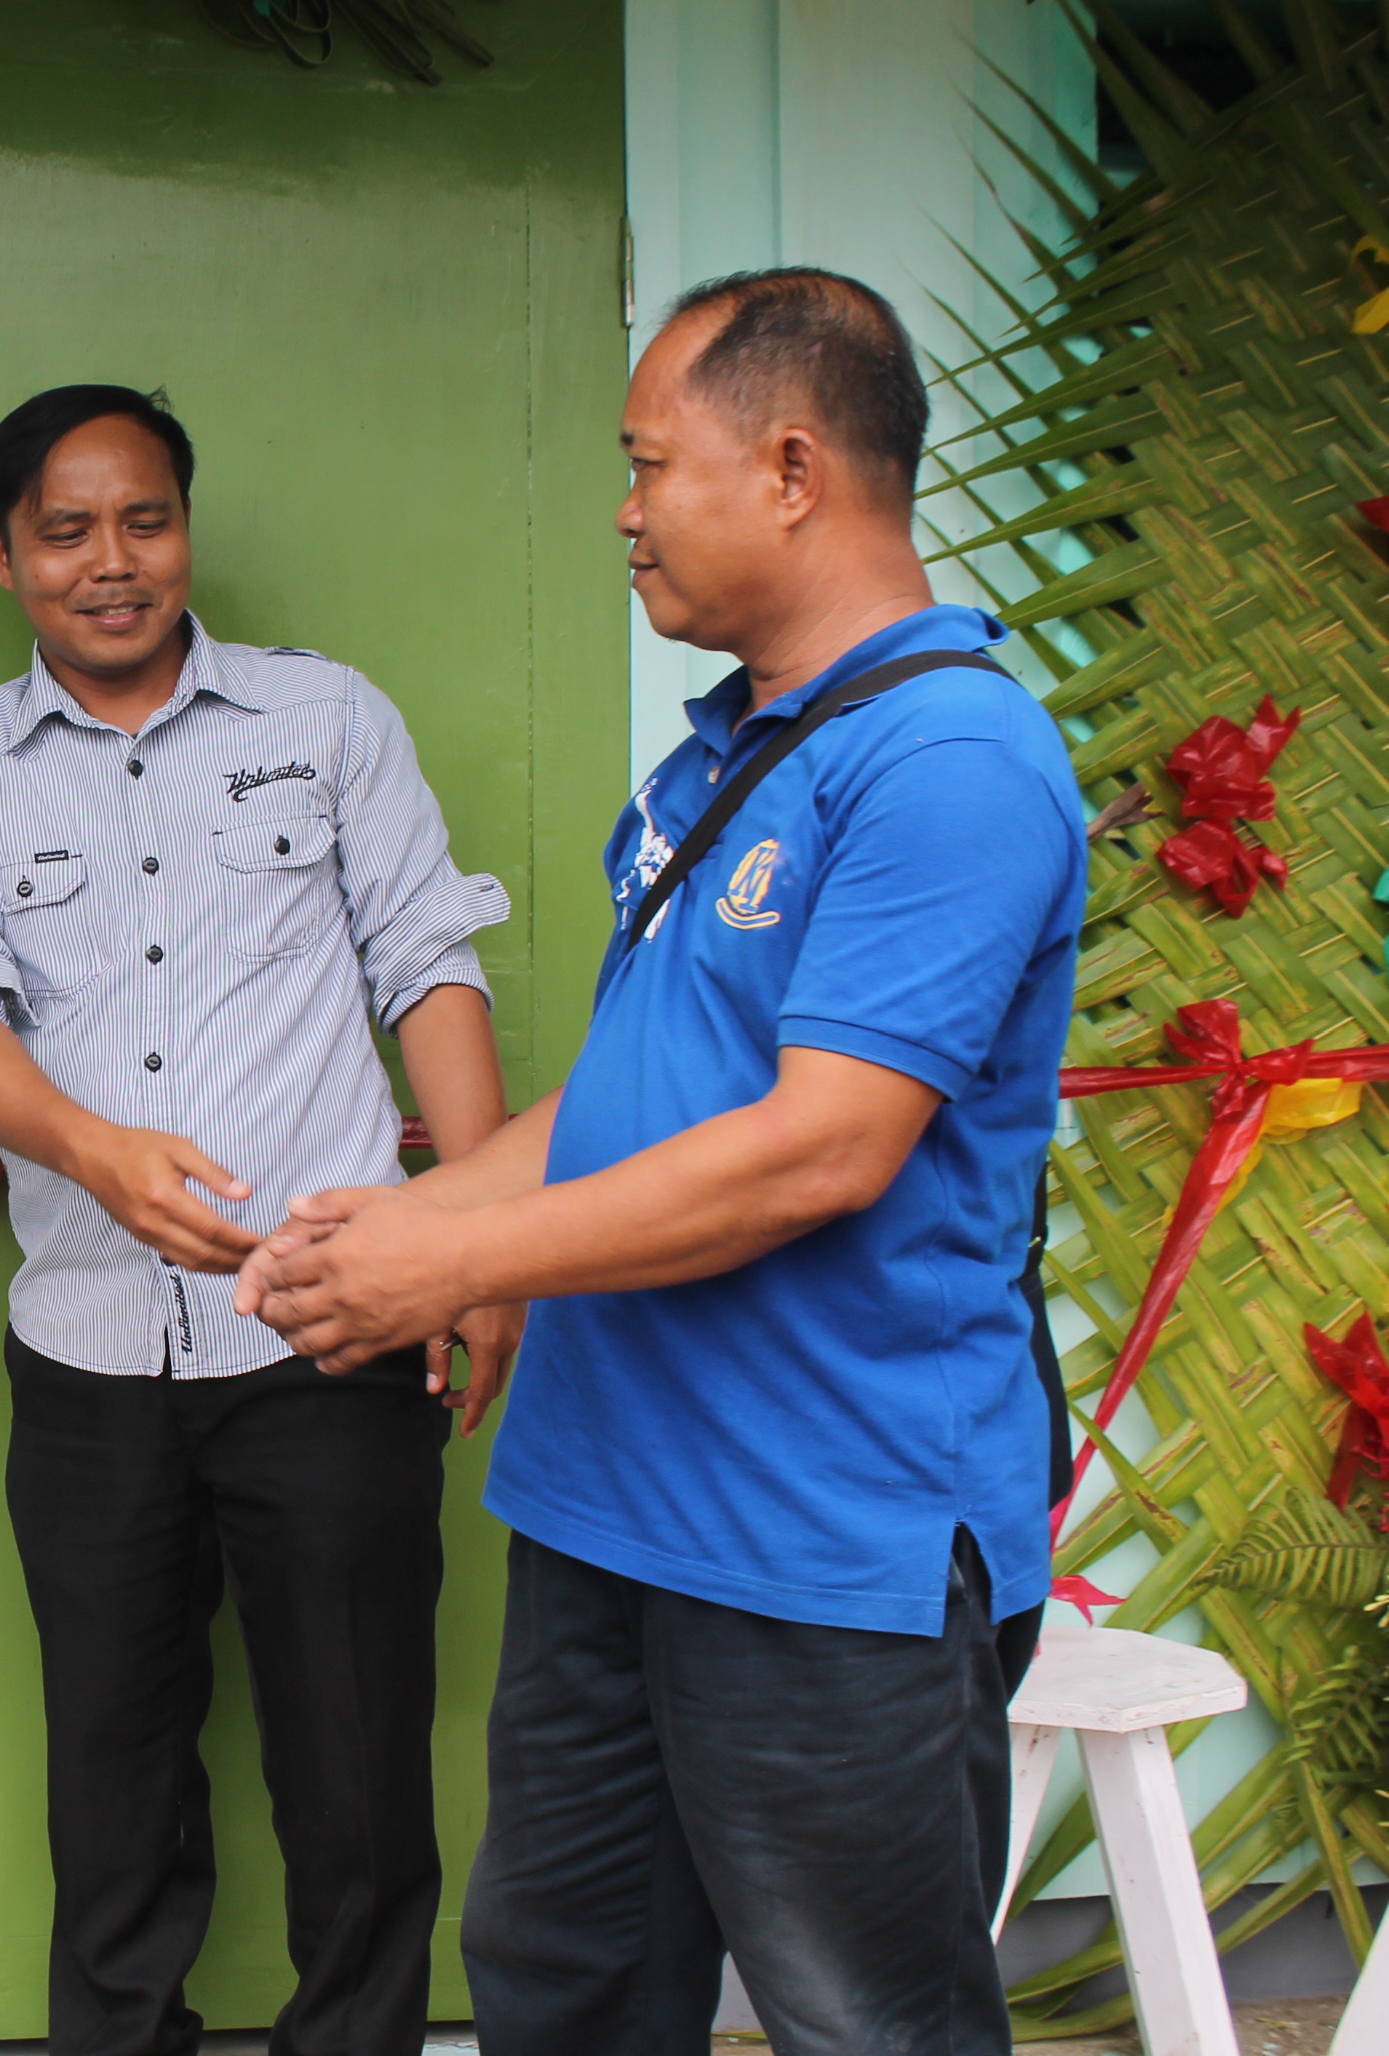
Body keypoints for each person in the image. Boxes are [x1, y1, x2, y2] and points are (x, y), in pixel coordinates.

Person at [235, 269, 1086, 2056]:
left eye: (647, 465)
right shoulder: (733, 753)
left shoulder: (950, 758)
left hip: (821, 1540)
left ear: (792, 471)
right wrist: (402, 1225)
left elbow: (820, 1149)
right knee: (565, 1992)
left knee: (867, 2020)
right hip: (609, 1508)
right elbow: (637, 1094)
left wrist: (459, 1265)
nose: (624, 512)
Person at [0, 384, 518, 2056]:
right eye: (67, 532)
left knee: (358, 1786)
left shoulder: (327, 720)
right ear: (2, 555)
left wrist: (475, 1238)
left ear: (185, 529)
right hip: (89, 1354)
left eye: (144, 521)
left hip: (331, 1328)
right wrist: (88, 1151)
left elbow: (427, 964)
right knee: (116, 1795)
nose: (113, 562)